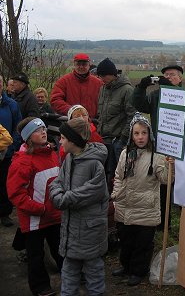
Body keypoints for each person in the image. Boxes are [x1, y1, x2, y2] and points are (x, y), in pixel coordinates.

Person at [49, 117, 109, 296]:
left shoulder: (94, 164)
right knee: (68, 274)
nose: (60, 141)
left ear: (74, 140)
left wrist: (64, 198)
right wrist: (58, 194)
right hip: (71, 230)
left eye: (63, 138)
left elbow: (93, 191)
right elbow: (56, 183)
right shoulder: (69, 159)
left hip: (90, 231)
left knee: (94, 274)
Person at [110, 113, 168, 286]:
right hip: (125, 206)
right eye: (136, 133)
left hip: (146, 209)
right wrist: (116, 195)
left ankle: (138, 271)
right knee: (126, 241)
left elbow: (166, 179)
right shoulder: (125, 154)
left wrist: (171, 164)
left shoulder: (157, 157)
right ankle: (126, 266)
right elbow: (119, 176)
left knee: (142, 244)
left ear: (149, 134)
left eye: (144, 133)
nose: (140, 137)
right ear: (131, 135)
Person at [7, 117, 63, 296]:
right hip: (34, 219)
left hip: (54, 215)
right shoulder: (23, 161)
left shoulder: (52, 154)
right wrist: (39, 209)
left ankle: (71, 274)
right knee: (36, 255)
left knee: (61, 248)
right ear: (29, 137)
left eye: (44, 128)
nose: (44, 132)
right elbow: (16, 194)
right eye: (38, 130)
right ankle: (40, 287)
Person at [131, 64, 183, 230]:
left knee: (182, 183)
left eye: (172, 75)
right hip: (161, 145)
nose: (168, 77)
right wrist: (141, 86)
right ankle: (163, 221)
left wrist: (168, 88)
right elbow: (139, 104)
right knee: (162, 183)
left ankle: (184, 218)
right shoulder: (155, 95)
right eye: (165, 75)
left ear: (180, 78)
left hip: (181, 147)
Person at [95, 58, 136, 188]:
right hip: (103, 139)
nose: (101, 78)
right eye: (100, 76)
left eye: (103, 75)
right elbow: (101, 113)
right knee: (103, 174)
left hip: (117, 141)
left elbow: (132, 116)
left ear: (112, 74)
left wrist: (123, 138)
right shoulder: (103, 89)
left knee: (119, 176)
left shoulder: (127, 90)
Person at [50, 53, 103, 119]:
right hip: (70, 122)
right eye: (78, 64)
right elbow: (55, 100)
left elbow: (105, 102)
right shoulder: (63, 81)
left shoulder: (98, 83)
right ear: (74, 65)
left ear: (89, 65)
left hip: (93, 123)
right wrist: (72, 110)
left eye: (84, 64)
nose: (81, 67)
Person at [0, 75, 23, 227]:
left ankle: (4, 213)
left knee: (4, 184)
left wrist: (12, 146)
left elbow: (18, 128)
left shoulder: (11, 105)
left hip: (6, 153)